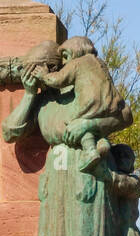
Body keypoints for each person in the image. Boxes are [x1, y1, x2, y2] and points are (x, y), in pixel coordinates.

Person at [2, 40, 130, 236]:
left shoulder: (86, 83)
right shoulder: (43, 101)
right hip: (56, 176)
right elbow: (11, 130)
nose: (33, 74)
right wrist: (28, 95)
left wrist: (87, 126)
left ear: (53, 66)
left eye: (37, 69)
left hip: (89, 170)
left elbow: (124, 115)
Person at [29, 36, 132, 173]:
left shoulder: (76, 64)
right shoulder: (101, 64)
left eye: (64, 58)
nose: (63, 63)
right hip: (110, 102)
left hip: (89, 103)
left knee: (73, 121)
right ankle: (101, 142)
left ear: (70, 54)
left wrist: (44, 76)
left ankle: (90, 151)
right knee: (92, 121)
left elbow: (58, 80)